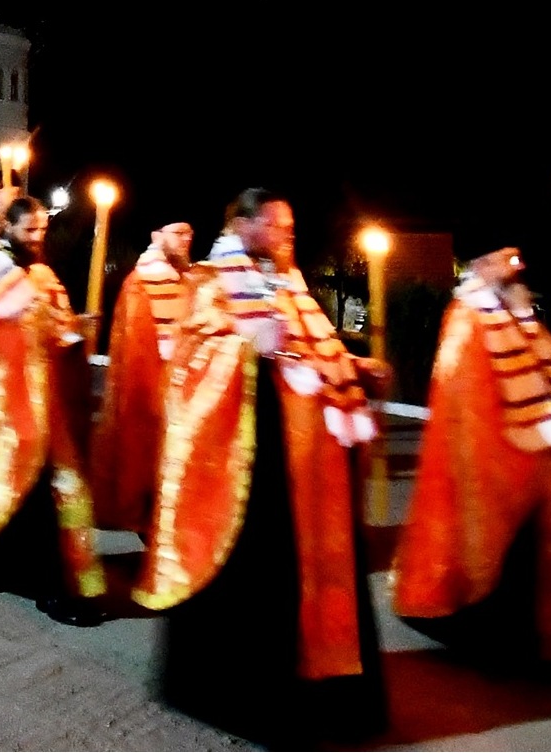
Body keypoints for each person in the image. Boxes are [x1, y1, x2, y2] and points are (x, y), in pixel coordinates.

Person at [135, 188, 387, 743]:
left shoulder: (287, 280)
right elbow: (189, 361)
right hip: (248, 464)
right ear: (244, 224)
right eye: (277, 225)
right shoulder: (209, 281)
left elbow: (313, 347)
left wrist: (353, 364)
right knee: (263, 575)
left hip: (308, 455)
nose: (287, 235)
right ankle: (248, 694)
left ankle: (322, 679)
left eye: (290, 226)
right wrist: (247, 347)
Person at [391, 246, 551, 671]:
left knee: (549, 559)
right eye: (507, 259)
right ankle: (511, 648)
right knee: (507, 566)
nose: (518, 267)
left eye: (518, 258)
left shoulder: (516, 312)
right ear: (481, 265)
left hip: (541, 461)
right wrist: (511, 445)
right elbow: (463, 394)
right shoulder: (466, 317)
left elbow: (541, 372)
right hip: (499, 466)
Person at [0, 195, 105, 625]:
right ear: (8, 227)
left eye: (41, 230)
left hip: (45, 404)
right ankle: (44, 584)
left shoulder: (44, 274)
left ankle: (51, 577)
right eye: (28, 230)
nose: (36, 238)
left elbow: (55, 325)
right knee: (21, 492)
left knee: (53, 493)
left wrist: (75, 329)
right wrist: (20, 323)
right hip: (3, 409)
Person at [89, 220, 195, 534]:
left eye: (189, 233)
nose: (185, 240)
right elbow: (136, 349)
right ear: (155, 235)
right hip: (153, 391)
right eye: (177, 233)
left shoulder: (187, 279)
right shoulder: (141, 283)